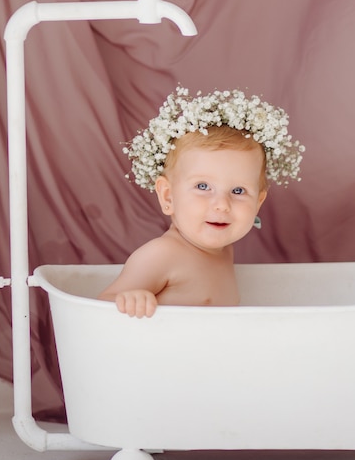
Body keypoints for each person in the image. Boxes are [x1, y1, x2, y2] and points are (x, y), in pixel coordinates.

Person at [98, 87, 304, 317]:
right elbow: (98, 308)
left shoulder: (224, 251)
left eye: (238, 190)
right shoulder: (161, 254)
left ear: (258, 202)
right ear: (168, 196)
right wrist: (131, 298)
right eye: (203, 187)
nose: (221, 204)